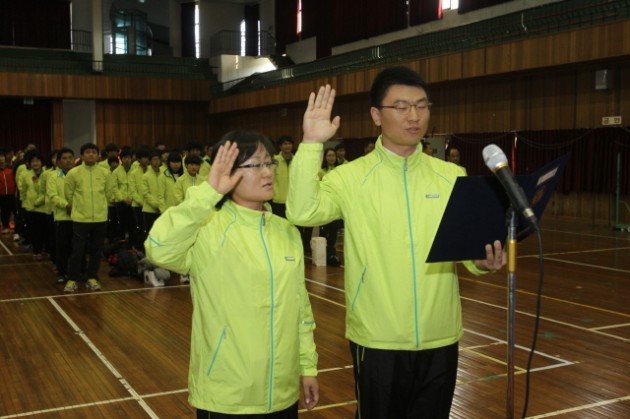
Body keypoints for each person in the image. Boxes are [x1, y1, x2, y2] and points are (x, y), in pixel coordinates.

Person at [286, 67, 506, 418]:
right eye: (401, 107)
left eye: (421, 105)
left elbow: (464, 249)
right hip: (377, 339)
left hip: (441, 336)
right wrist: (312, 143)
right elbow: (300, 211)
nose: (414, 115)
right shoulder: (350, 177)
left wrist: (479, 263)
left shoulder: (451, 176)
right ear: (377, 115)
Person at [145, 130, 319, 417]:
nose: (267, 173)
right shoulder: (207, 228)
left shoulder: (286, 231)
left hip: (282, 392)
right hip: (226, 395)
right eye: (255, 165)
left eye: (269, 163)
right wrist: (208, 192)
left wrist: (308, 366)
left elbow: (300, 306)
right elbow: (158, 248)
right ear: (227, 172)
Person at [64, 143, 114, 293]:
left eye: (93, 152)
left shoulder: (105, 173)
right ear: (82, 155)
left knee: (96, 250)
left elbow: (109, 193)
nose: (91, 154)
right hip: (80, 219)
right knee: (77, 250)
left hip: (100, 218)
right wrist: (78, 208)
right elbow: (68, 194)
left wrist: (100, 207)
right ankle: (72, 278)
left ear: (98, 155)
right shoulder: (74, 173)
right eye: (87, 152)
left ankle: (92, 277)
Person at [47, 147, 75, 284]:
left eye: (70, 157)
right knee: (62, 247)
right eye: (64, 158)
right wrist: (66, 205)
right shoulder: (53, 176)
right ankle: (62, 272)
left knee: (78, 246)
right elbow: (52, 196)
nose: (68, 160)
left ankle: (78, 270)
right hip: (62, 217)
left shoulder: (78, 174)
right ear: (58, 162)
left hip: (79, 217)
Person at [318, 148, 342, 267]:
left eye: (333, 155)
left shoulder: (340, 171)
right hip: (324, 206)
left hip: (336, 206)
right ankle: (322, 255)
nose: (331, 158)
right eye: (329, 155)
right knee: (324, 233)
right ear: (325, 157)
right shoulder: (321, 172)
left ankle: (332, 254)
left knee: (333, 233)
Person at [0, 152, 16, 233]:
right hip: (1, 195)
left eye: (2, 156)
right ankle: (5, 226)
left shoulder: (10, 168)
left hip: (12, 194)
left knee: (15, 210)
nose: (1, 158)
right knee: (4, 211)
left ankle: (18, 229)